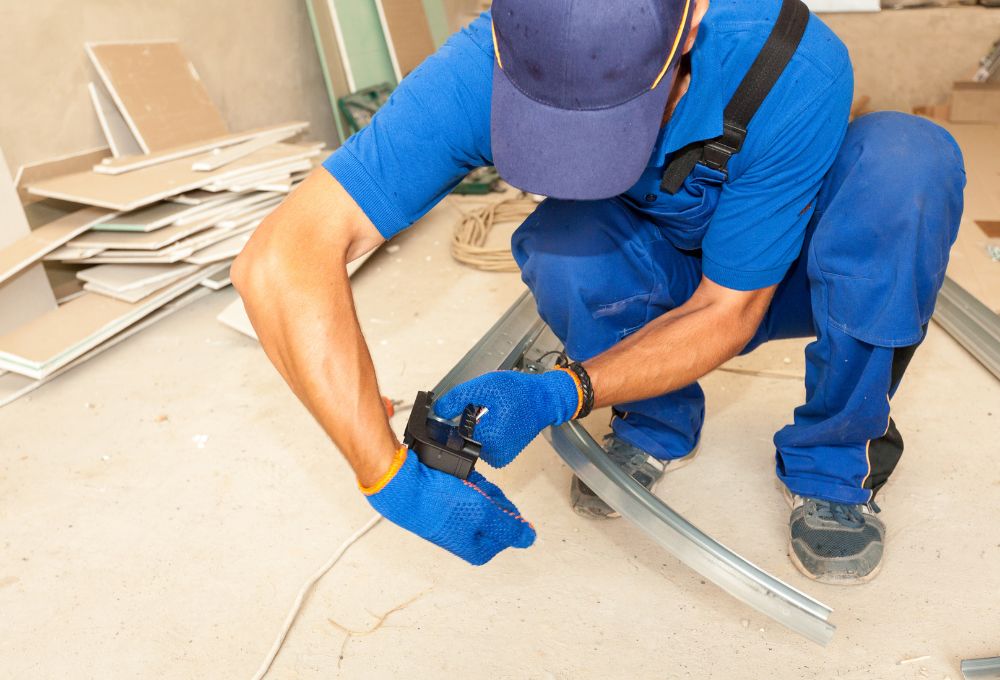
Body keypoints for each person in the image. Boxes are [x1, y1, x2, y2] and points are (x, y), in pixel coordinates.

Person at [232, 0, 965, 584]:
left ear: (690, 24)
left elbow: (728, 308)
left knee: (908, 166)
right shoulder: (487, 60)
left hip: (783, 273)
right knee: (563, 244)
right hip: (658, 255)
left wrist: (564, 392)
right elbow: (280, 261)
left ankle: (833, 463)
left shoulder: (790, 60)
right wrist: (384, 472)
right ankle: (651, 425)